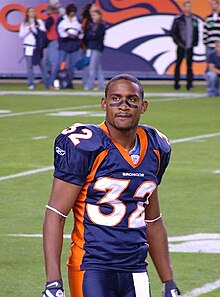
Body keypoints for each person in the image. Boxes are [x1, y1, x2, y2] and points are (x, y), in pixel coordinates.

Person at [42, 74, 181, 297]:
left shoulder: (156, 147)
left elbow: (152, 220)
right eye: (116, 99)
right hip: (92, 266)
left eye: (131, 99)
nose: (123, 106)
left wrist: (168, 280)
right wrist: (53, 281)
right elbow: (56, 214)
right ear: (104, 104)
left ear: (143, 106)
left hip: (136, 268)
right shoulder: (85, 145)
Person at [170, 0, 199, 91]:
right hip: (181, 45)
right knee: (178, 64)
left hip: (190, 46)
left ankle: (189, 85)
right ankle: (177, 84)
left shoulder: (194, 20)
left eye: (190, 7)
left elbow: (196, 32)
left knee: (189, 66)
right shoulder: (178, 19)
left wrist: (195, 42)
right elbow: (173, 32)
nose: (188, 8)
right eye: (187, 6)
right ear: (184, 8)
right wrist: (178, 42)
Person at [19, 7, 47, 90]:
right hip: (28, 46)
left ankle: (47, 83)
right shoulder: (24, 23)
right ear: (27, 13)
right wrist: (28, 30)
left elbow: (43, 33)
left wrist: (35, 30)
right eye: (30, 11)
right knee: (29, 66)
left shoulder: (39, 22)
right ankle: (31, 83)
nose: (32, 13)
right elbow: (21, 35)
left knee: (42, 65)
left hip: (37, 47)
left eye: (33, 11)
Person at [56, 3, 84, 87]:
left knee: (72, 65)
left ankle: (69, 82)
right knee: (61, 63)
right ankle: (60, 81)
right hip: (64, 44)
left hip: (74, 44)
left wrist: (78, 35)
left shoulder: (77, 21)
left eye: (73, 12)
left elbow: (81, 33)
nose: (72, 14)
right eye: (71, 12)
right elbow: (59, 31)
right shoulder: (62, 20)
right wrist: (67, 35)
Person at [83, 9, 106, 90]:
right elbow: (87, 35)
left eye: (95, 15)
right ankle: (101, 85)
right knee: (98, 68)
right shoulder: (91, 25)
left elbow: (96, 36)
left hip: (97, 48)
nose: (93, 17)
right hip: (91, 47)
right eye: (92, 15)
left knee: (92, 67)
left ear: (99, 15)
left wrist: (91, 35)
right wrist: (91, 35)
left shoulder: (101, 26)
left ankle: (89, 85)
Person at [44, 5, 60, 89]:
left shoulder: (51, 18)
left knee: (53, 64)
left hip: (53, 41)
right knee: (48, 64)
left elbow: (46, 28)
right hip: (54, 41)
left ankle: (50, 83)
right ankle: (48, 82)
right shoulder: (57, 17)